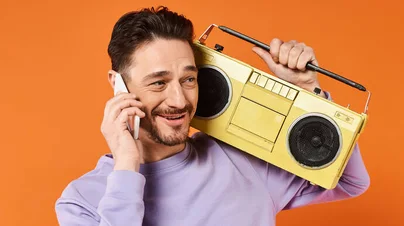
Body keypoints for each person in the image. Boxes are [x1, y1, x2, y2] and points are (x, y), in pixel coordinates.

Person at [55, 6, 370, 226]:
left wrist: (309, 96)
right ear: (118, 85)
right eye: (159, 82)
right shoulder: (82, 200)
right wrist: (126, 164)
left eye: (189, 79)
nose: (179, 100)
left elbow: (350, 181)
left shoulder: (242, 159)